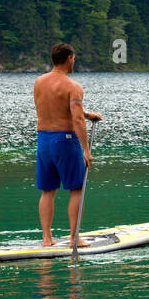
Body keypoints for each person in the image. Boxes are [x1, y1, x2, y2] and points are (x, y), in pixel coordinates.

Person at [34, 43, 102, 246]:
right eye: (74, 58)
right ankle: (74, 238)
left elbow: (55, 108)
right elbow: (76, 120)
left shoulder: (39, 82)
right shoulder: (73, 86)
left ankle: (47, 238)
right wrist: (86, 150)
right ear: (70, 58)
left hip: (43, 140)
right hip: (65, 141)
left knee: (48, 191)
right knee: (77, 189)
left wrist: (87, 114)